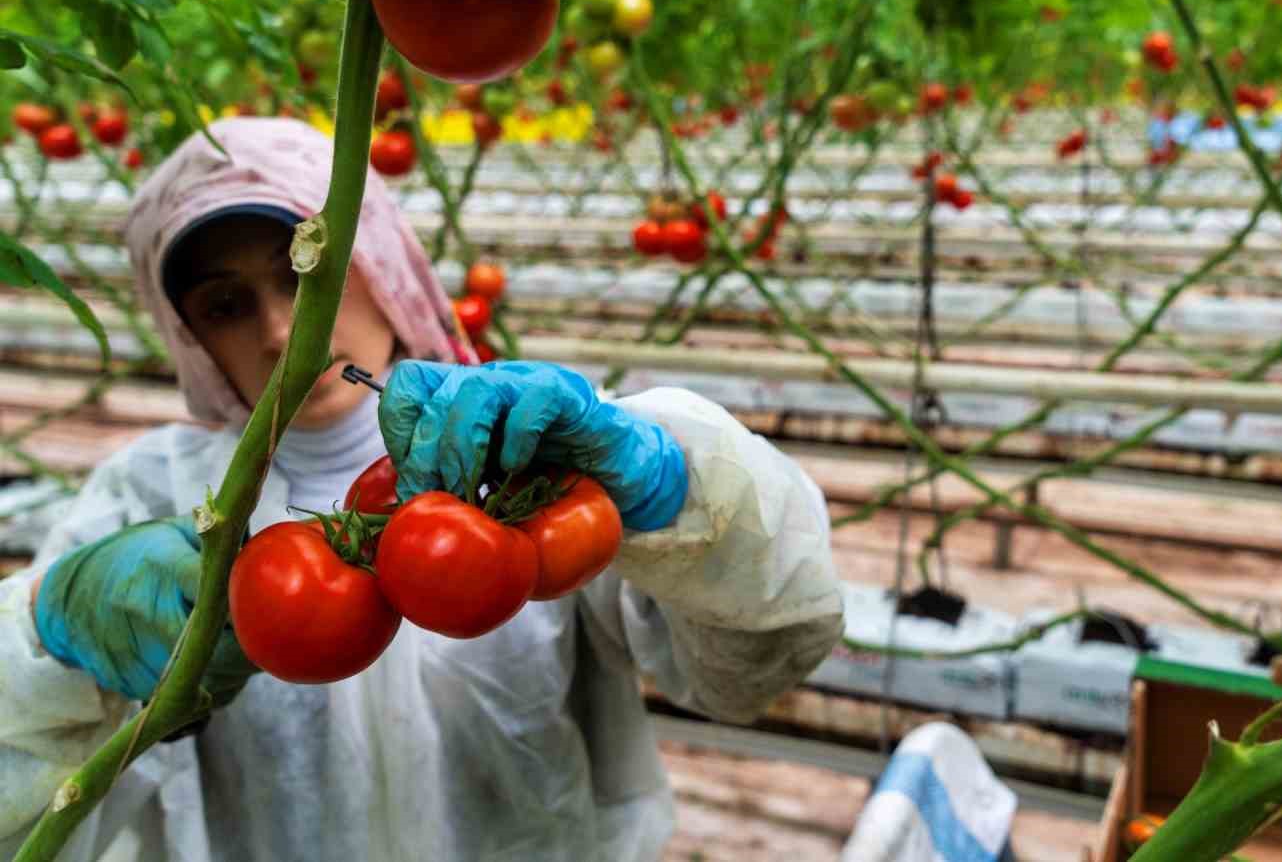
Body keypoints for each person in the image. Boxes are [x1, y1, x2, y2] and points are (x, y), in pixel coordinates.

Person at [0, 117, 845, 861]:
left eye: (304, 272)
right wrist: (52, 634)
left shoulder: (530, 460)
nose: (280, 329)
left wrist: (675, 492)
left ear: (379, 261)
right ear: (191, 340)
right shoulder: (149, 497)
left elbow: (761, 658)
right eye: (226, 305)